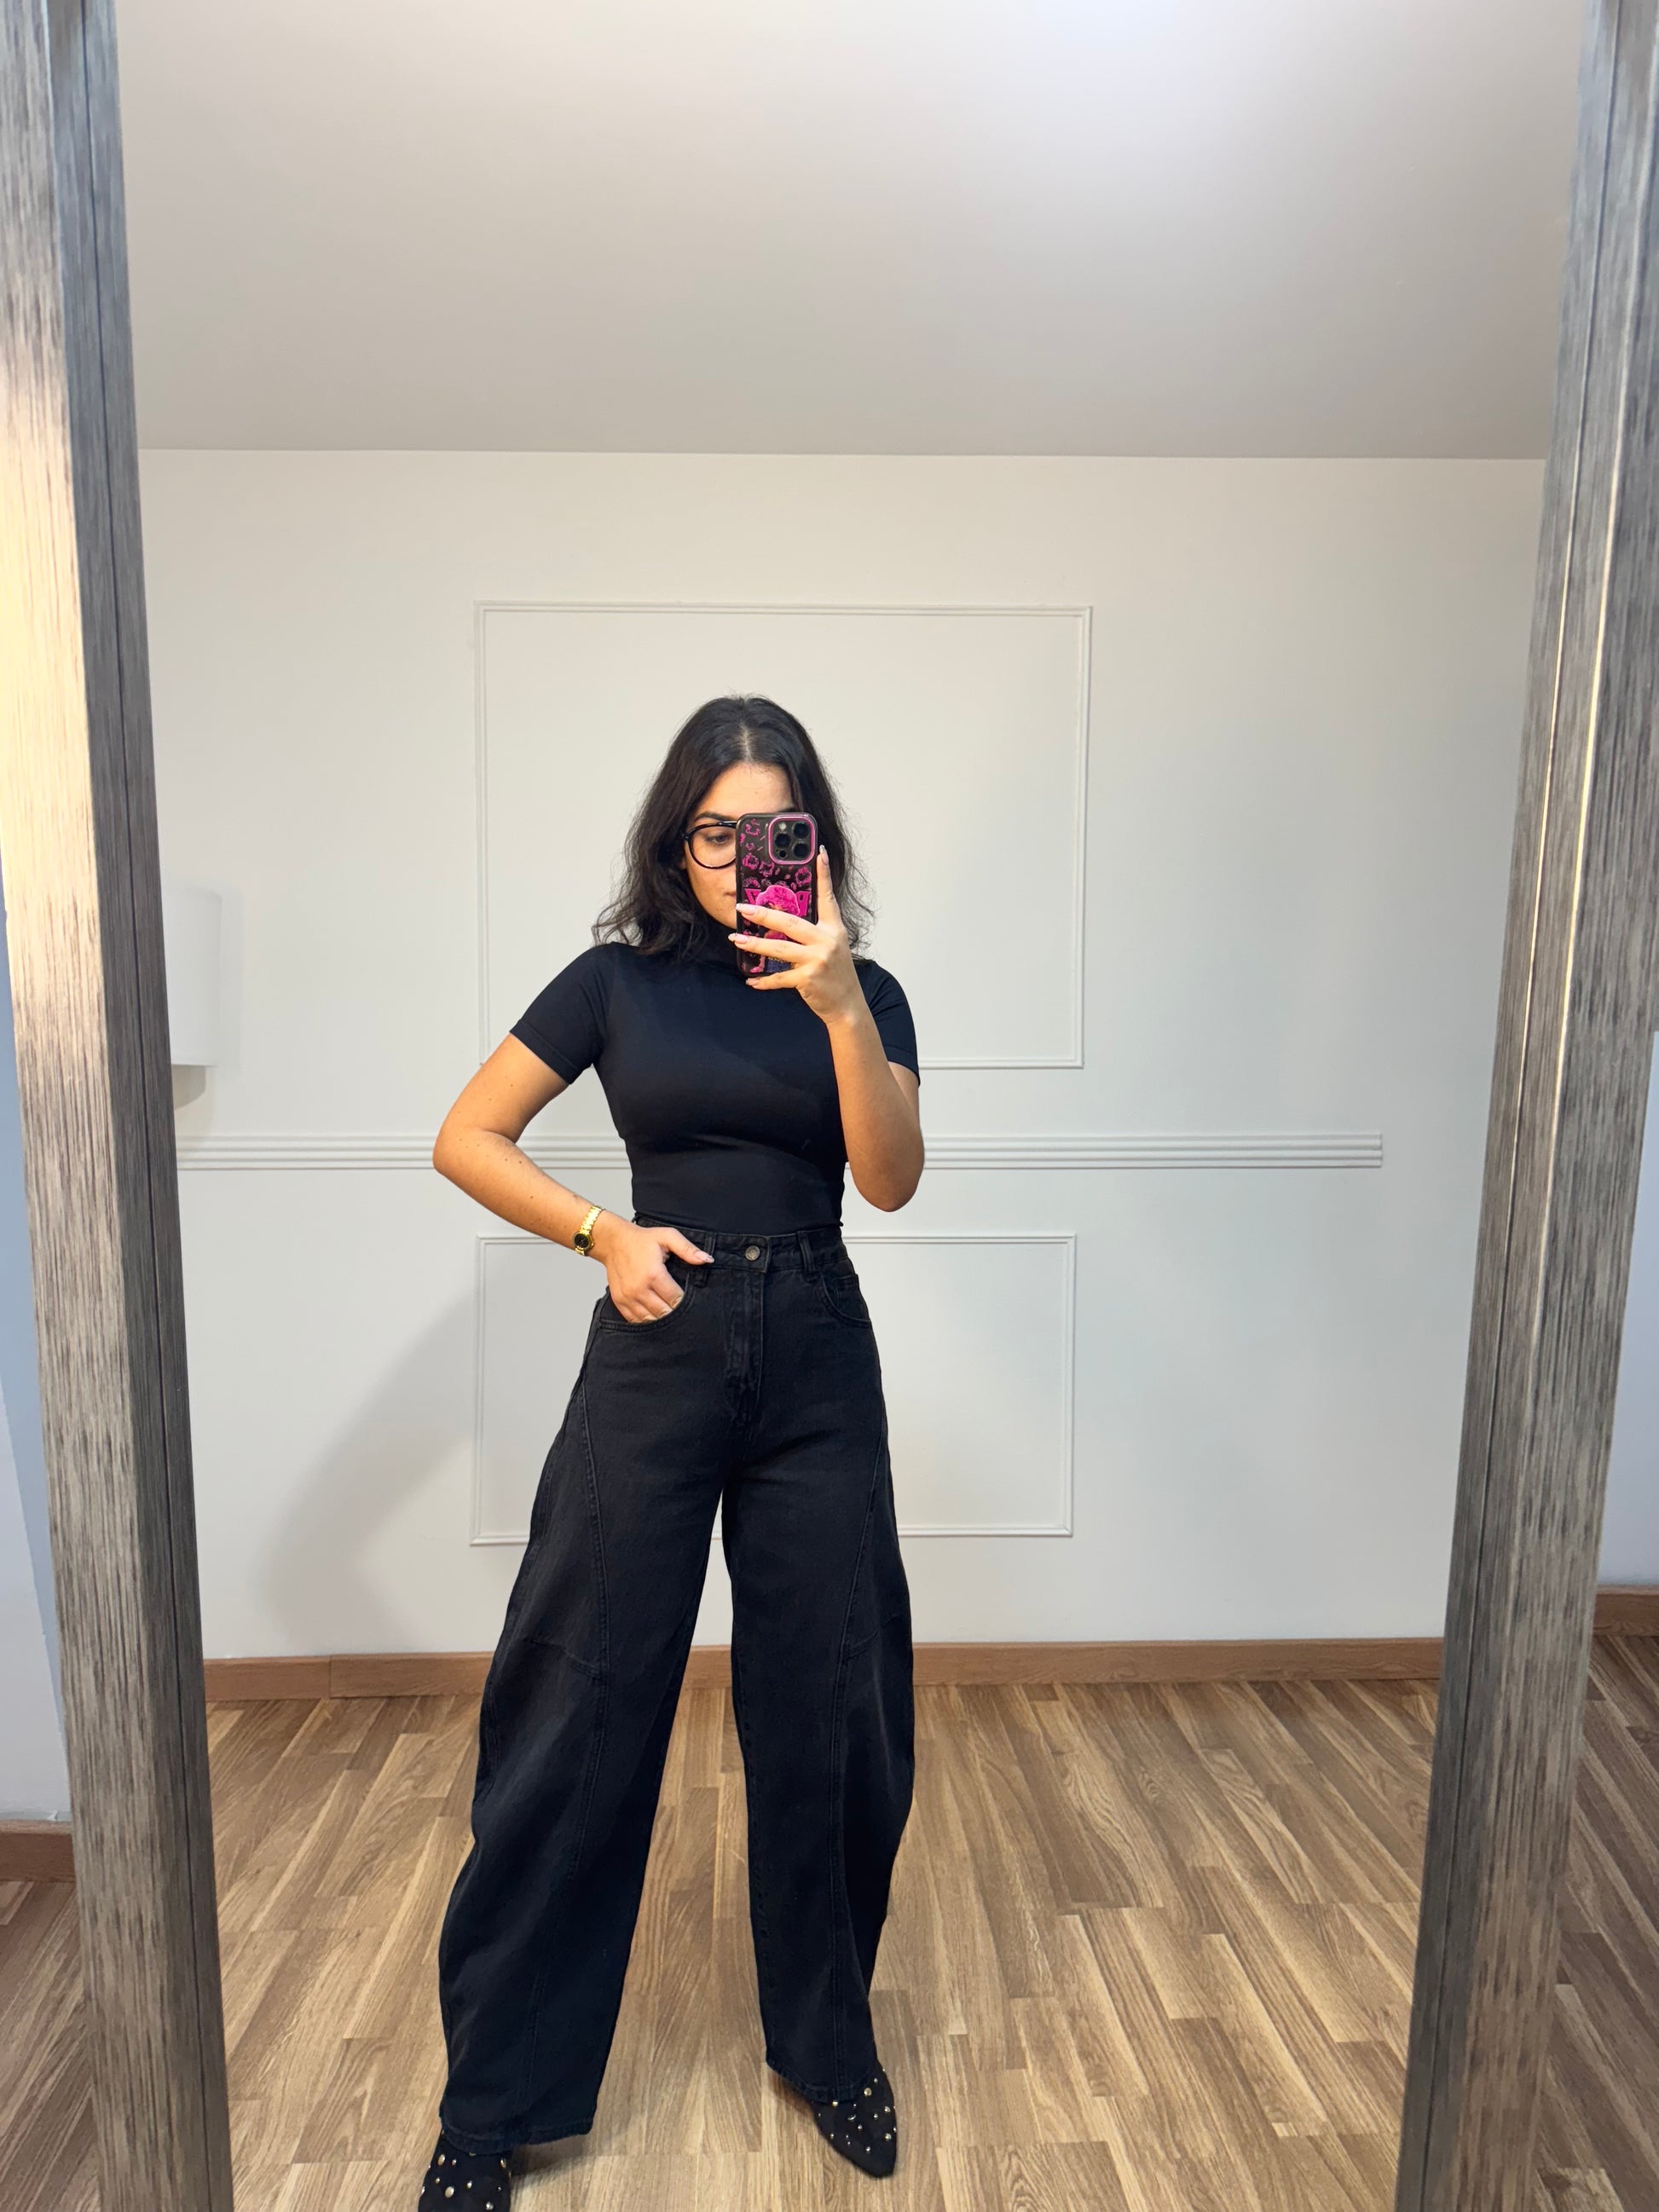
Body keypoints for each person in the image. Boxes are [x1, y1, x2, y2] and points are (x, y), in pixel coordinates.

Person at [415, 696, 922, 2206]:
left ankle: (826, 2042)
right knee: (576, 1705)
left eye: (773, 829)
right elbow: (466, 1136)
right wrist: (602, 1232)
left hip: (818, 1348)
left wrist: (840, 1007)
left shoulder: (866, 990)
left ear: (812, 841)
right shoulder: (613, 984)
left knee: (833, 1708)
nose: (739, 855)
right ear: (674, 843)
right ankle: (493, 2101)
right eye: (714, 831)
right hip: (659, 1350)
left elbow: (890, 1181)